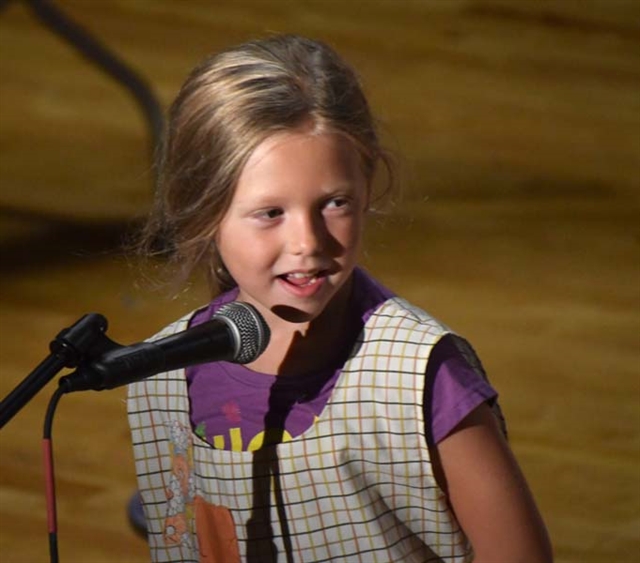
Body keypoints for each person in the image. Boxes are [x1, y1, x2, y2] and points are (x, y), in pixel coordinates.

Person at [127, 34, 552, 563]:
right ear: (202, 210)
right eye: (270, 213)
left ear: (367, 186)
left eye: (334, 203)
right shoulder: (164, 381)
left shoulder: (420, 376)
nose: (307, 243)